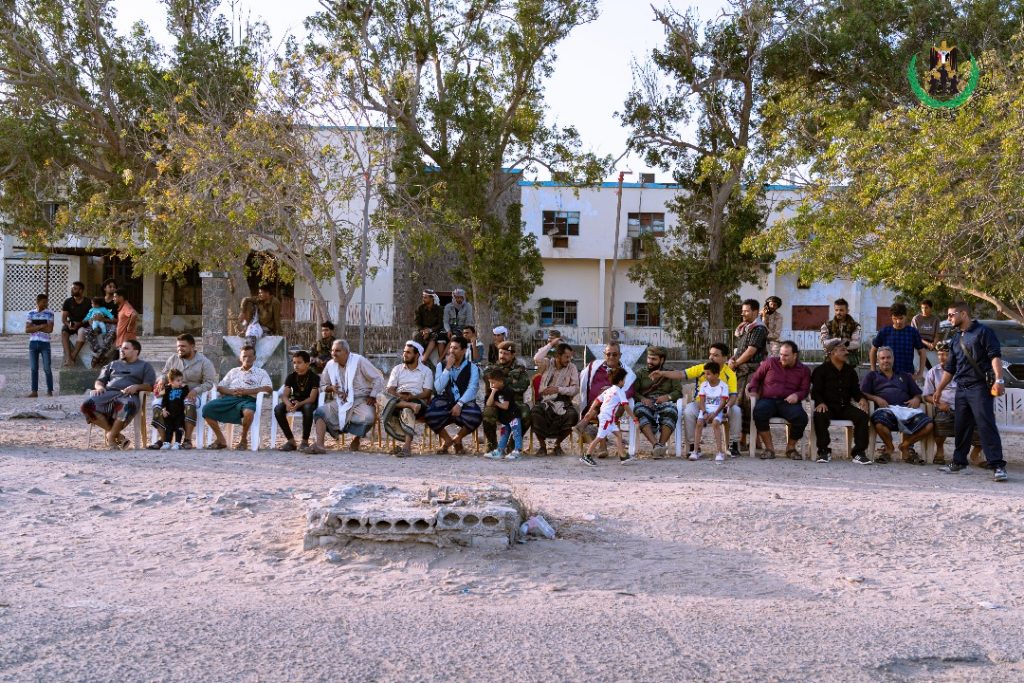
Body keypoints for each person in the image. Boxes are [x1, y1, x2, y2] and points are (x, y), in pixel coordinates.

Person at [932, 302, 1007, 482]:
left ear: (964, 314)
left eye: (951, 314)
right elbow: (950, 368)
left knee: (985, 426)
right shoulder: (955, 339)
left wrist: (999, 380)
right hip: (962, 388)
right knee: (961, 427)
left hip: (980, 387)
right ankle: (959, 462)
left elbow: (995, 356)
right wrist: (939, 389)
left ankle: (997, 466)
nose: (949, 318)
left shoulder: (983, 332)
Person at [657, 343, 743, 458]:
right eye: (710, 354)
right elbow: (681, 374)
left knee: (736, 410)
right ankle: (694, 447)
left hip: (721, 406)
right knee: (688, 410)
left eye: (716, 355)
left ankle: (734, 445)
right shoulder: (702, 368)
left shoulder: (730, 374)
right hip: (700, 404)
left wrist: (727, 407)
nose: (711, 358)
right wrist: (662, 373)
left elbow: (733, 395)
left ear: (724, 358)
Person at [305, 340, 384, 454]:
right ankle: (320, 445)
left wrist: (373, 395)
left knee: (368, 418)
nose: (334, 353)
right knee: (320, 412)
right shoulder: (330, 365)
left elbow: (378, 378)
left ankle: (356, 439)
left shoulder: (359, 361)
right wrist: (331, 388)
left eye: (337, 351)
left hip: (361, 400)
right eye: (332, 350)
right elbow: (322, 386)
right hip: (340, 401)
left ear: (346, 352)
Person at [860, 346, 933, 464]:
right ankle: (889, 448)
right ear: (878, 360)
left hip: (906, 410)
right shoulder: (872, 376)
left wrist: (916, 398)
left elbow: (918, 393)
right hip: (886, 410)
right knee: (878, 422)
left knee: (928, 425)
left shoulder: (905, 376)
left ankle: (905, 445)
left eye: (888, 357)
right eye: (883, 358)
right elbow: (863, 393)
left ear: (893, 359)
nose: (886, 360)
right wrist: (876, 398)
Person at [80, 339, 156, 450]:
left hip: (128, 396)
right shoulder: (112, 364)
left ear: (136, 351)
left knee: (127, 406)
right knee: (86, 406)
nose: (121, 350)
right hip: (108, 393)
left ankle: (111, 437)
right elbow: (99, 381)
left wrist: (137, 387)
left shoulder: (145, 366)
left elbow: (149, 386)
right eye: (121, 348)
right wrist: (99, 387)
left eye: (126, 348)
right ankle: (116, 435)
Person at [747, 340, 811, 460]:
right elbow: (755, 379)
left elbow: (805, 390)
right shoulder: (770, 363)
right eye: (781, 354)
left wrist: (797, 395)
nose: (782, 358)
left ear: (795, 355)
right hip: (768, 400)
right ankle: (769, 449)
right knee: (759, 413)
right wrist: (754, 391)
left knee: (801, 418)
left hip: (788, 402)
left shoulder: (804, 370)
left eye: (786, 355)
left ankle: (790, 448)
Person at [152, 334, 217, 449]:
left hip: (192, 394)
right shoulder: (173, 358)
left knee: (188, 403)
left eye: (183, 346)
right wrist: (162, 380)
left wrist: (195, 390)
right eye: (178, 346)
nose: (179, 349)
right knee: (157, 404)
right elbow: (164, 374)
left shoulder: (204, 362)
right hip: (172, 394)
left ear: (192, 346)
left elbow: (209, 382)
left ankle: (187, 440)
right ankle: (163, 440)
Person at [811, 338, 870, 464]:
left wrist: (861, 398)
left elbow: (855, 391)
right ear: (832, 352)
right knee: (819, 415)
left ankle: (859, 453)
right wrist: (820, 402)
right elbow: (815, 391)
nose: (847, 352)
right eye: (843, 350)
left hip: (845, 407)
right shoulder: (820, 370)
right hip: (827, 406)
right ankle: (823, 451)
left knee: (862, 416)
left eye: (846, 350)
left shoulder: (850, 371)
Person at [202, 346, 273, 451]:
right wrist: (231, 392)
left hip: (248, 399)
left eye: (250, 356)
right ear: (240, 357)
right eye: (244, 356)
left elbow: (268, 388)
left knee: (249, 412)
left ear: (255, 357)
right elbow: (220, 387)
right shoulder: (233, 371)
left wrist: (247, 391)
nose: (247, 359)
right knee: (207, 409)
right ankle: (221, 439)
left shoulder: (261, 372)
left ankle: (243, 439)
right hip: (230, 398)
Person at [423, 336, 482, 454]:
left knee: (476, 415)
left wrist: (459, 404)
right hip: (445, 401)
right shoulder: (441, 366)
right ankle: (447, 440)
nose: (451, 351)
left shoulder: (473, 367)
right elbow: (438, 388)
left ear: (464, 350)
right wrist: (448, 368)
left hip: (464, 402)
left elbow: (472, 389)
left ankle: (458, 439)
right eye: (450, 348)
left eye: (455, 348)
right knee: (429, 414)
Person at [579, 341, 636, 455]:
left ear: (620, 355)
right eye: (608, 354)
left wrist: (611, 392)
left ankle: (586, 425)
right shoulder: (594, 367)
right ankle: (603, 447)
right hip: (595, 402)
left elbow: (630, 390)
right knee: (604, 405)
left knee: (606, 405)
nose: (611, 357)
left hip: (615, 405)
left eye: (614, 354)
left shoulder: (626, 372)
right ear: (604, 354)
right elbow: (584, 383)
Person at [576, 367, 639, 467]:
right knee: (599, 437)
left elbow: (597, 400)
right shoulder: (620, 391)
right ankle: (587, 455)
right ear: (620, 381)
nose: (624, 382)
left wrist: (590, 411)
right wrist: (634, 417)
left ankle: (623, 456)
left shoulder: (609, 390)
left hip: (608, 418)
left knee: (618, 435)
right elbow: (626, 406)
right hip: (607, 418)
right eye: (624, 379)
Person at [382, 340, 435, 457]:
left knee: (406, 410)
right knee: (380, 396)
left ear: (417, 355)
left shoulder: (426, 371)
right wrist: (400, 396)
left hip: (418, 402)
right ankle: (408, 405)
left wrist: (412, 397)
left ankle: (406, 447)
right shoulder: (397, 369)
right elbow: (390, 389)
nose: (404, 355)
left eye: (408, 352)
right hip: (398, 398)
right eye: (404, 352)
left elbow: (427, 393)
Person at [728, 299, 768, 451]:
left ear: (755, 312)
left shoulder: (759, 329)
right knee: (739, 404)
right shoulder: (746, 328)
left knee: (750, 403)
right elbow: (741, 350)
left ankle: (754, 440)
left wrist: (736, 363)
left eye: (746, 311)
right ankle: (743, 440)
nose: (743, 313)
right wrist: (733, 359)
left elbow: (751, 351)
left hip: (753, 372)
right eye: (742, 310)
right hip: (741, 371)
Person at [530, 337, 579, 455]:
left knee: (572, 415)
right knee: (535, 413)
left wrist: (557, 389)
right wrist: (550, 344)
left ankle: (557, 445)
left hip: (563, 400)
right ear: (558, 356)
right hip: (544, 400)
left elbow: (575, 389)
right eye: (566, 357)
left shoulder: (572, 367)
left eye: (570, 357)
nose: (569, 360)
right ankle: (542, 446)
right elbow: (537, 358)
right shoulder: (547, 363)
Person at [632, 346, 683, 458]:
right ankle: (656, 445)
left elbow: (678, 392)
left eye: (654, 359)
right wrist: (642, 399)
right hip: (646, 403)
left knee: (671, 410)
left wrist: (668, 397)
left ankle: (661, 445)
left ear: (662, 360)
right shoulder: (640, 373)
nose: (650, 361)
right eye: (649, 358)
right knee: (639, 410)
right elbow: (633, 392)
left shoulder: (670, 373)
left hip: (664, 403)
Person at [481, 341, 531, 452]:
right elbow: (488, 380)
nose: (502, 356)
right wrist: (511, 382)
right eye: (501, 353)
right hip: (496, 401)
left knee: (526, 413)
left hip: (515, 403)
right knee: (488, 412)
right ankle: (492, 444)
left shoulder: (520, 369)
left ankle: (512, 443)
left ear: (513, 355)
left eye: (506, 353)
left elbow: (523, 385)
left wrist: (501, 383)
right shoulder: (492, 367)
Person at [274, 351, 320, 452]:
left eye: (299, 362)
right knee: (278, 409)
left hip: (308, 403)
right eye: (294, 362)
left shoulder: (314, 377)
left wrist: (299, 404)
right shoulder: (291, 376)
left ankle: (304, 441)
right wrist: (288, 404)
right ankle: (291, 441)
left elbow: (312, 398)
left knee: (307, 408)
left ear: (307, 364)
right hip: (295, 402)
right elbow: (284, 395)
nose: (296, 365)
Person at [871, 302, 926, 379]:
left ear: (905, 316)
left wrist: (920, 373)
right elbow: (873, 350)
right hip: (887, 376)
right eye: (895, 318)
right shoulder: (885, 331)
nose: (898, 321)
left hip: (907, 375)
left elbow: (922, 352)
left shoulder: (912, 332)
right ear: (891, 317)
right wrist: (873, 370)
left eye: (901, 318)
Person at [923, 340, 956, 465]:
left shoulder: (961, 370)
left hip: (962, 406)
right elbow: (926, 396)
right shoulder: (933, 372)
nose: (942, 357)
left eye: (946, 354)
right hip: (943, 406)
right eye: (940, 354)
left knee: (978, 423)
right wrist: (939, 404)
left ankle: (975, 453)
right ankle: (940, 449)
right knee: (940, 421)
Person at [690, 362, 730, 462]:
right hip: (706, 409)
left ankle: (720, 452)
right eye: (705, 373)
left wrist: (715, 413)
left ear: (716, 374)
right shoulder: (704, 385)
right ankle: (695, 451)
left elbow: (723, 402)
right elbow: (701, 401)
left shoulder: (723, 386)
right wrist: (704, 412)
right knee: (699, 423)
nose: (705, 376)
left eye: (708, 374)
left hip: (717, 410)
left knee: (715, 423)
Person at [482, 368, 524, 461]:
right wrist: (493, 392)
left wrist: (496, 403)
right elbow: (488, 404)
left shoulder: (507, 390)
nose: (491, 385)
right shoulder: (494, 392)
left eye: (493, 383)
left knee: (516, 433)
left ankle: (517, 451)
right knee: (504, 434)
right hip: (505, 418)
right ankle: (500, 451)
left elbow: (505, 406)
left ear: (500, 381)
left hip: (513, 416)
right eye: (490, 383)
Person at [147, 369, 189, 450]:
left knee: (179, 428)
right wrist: (164, 410)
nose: (180, 382)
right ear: (171, 381)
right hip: (169, 413)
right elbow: (164, 401)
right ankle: (167, 442)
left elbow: (186, 392)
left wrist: (185, 387)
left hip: (179, 413)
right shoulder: (167, 389)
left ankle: (177, 443)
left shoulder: (183, 389)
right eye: (178, 380)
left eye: (181, 380)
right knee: (168, 428)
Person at [26, 293, 55, 398]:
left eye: (46, 302)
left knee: (47, 368)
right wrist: (42, 325)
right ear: (37, 302)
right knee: (34, 368)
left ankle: (50, 390)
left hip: (45, 343)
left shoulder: (50, 313)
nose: (46, 304)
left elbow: (50, 329)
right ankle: (34, 391)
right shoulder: (30, 313)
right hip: (33, 343)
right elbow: (27, 329)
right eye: (43, 302)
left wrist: (35, 326)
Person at [820, 298, 862, 367]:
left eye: (841, 310)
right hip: (831, 361)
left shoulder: (855, 326)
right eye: (836, 310)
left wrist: (834, 345)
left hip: (849, 360)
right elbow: (825, 344)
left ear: (847, 311)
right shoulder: (827, 326)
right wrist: (840, 340)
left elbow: (856, 344)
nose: (838, 312)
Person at [60, 281, 90, 367]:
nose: (72, 290)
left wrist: (80, 323)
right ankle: (68, 357)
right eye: (72, 288)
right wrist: (68, 324)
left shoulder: (88, 302)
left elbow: (90, 317)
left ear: (81, 290)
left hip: (83, 324)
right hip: (71, 324)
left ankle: (72, 357)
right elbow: (64, 319)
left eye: (75, 288)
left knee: (82, 332)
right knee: (64, 332)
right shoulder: (68, 301)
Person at [413, 289, 446, 364]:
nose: (423, 299)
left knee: (434, 337)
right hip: (422, 330)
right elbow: (417, 322)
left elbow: (440, 324)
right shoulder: (420, 308)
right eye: (423, 297)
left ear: (431, 298)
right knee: (416, 336)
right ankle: (416, 357)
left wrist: (430, 330)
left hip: (434, 330)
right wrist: (423, 330)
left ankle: (423, 360)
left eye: (425, 297)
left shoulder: (439, 309)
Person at [912, 299, 941, 368]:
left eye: (926, 308)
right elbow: (915, 336)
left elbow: (937, 335)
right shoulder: (916, 319)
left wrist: (933, 344)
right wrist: (927, 344)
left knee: (935, 365)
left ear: (931, 308)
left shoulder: (936, 319)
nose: (924, 310)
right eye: (922, 308)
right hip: (918, 345)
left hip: (931, 345)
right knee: (919, 366)